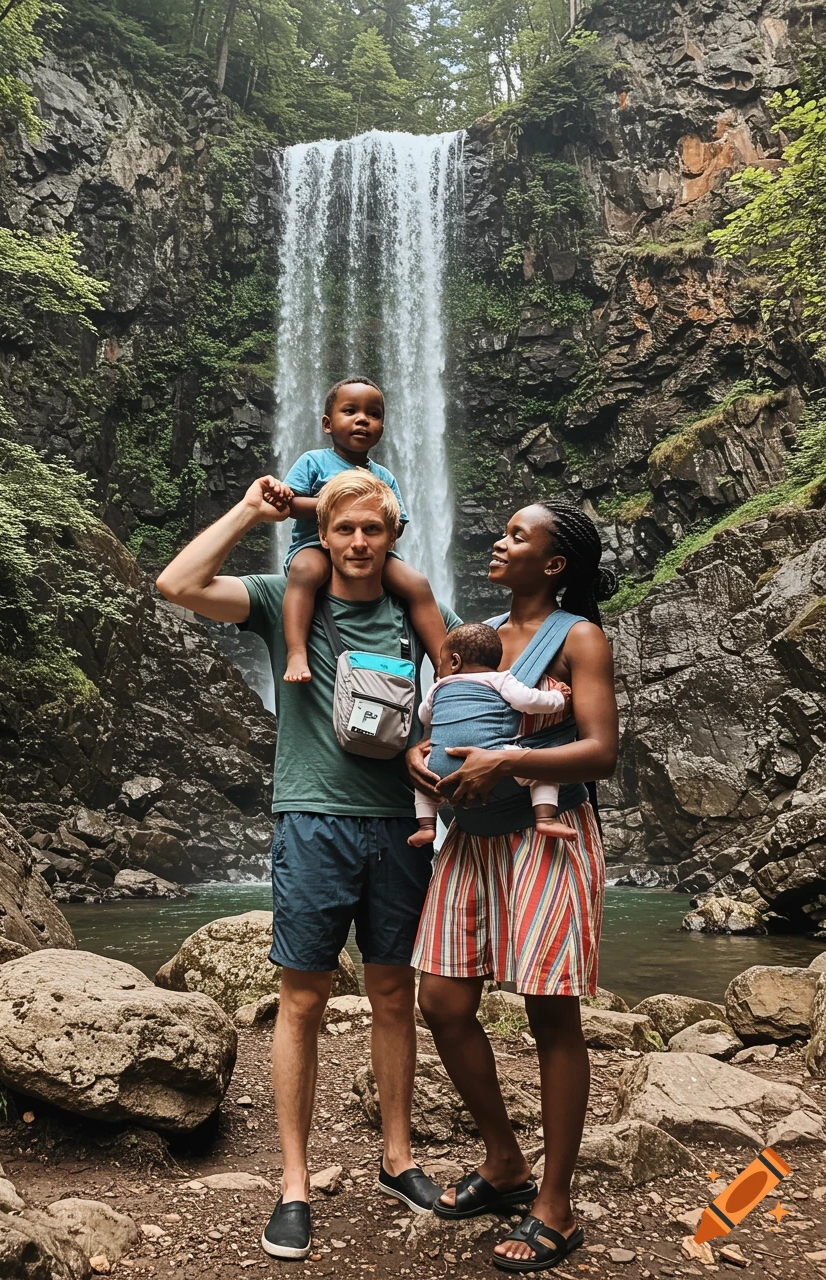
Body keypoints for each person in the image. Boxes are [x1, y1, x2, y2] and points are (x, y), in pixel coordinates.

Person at [155, 468, 461, 1262]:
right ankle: (293, 1182)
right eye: (343, 530)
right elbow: (177, 583)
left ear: (393, 535)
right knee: (303, 1000)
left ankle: (398, 1158)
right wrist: (250, 511)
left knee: (395, 992)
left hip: (402, 825)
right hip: (313, 823)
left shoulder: (414, 606)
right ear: (322, 535)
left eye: (373, 530)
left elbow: (475, 672)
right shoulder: (281, 597)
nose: (358, 544)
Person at [406, 498, 619, 1275]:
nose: (499, 541)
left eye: (517, 536)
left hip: (546, 833)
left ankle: (555, 1208)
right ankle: (505, 1161)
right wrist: (419, 760)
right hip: (471, 837)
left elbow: (600, 751)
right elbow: (449, 720)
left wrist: (511, 762)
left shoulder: (579, 637)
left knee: (550, 1014)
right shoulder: (483, 637)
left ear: (553, 564)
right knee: (443, 1001)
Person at [275, 376, 447, 683]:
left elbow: (398, 522)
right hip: (314, 545)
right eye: (350, 411)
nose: (362, 420)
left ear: (382, 427)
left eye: (373, 414)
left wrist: (375, 525)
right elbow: (289, 505)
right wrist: (337, 508)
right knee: (304, 572)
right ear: (327, 424)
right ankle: (296, 652)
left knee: (417, 583)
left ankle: (444, 664)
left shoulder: (384, 476)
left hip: (368, 551)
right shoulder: (313, 461)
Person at [408, 621, 577, 848]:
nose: (439, 670)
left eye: (441, 663)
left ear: (455, 662)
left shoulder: (438, 688)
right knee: (540, 769)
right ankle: (546, 818)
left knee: (423, 781)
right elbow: (531, 701)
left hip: (440, 763)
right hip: (493, 755)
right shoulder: (501, 679)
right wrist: (558, 697)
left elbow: (424, 717)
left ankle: (426, 827)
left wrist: (438, 690)